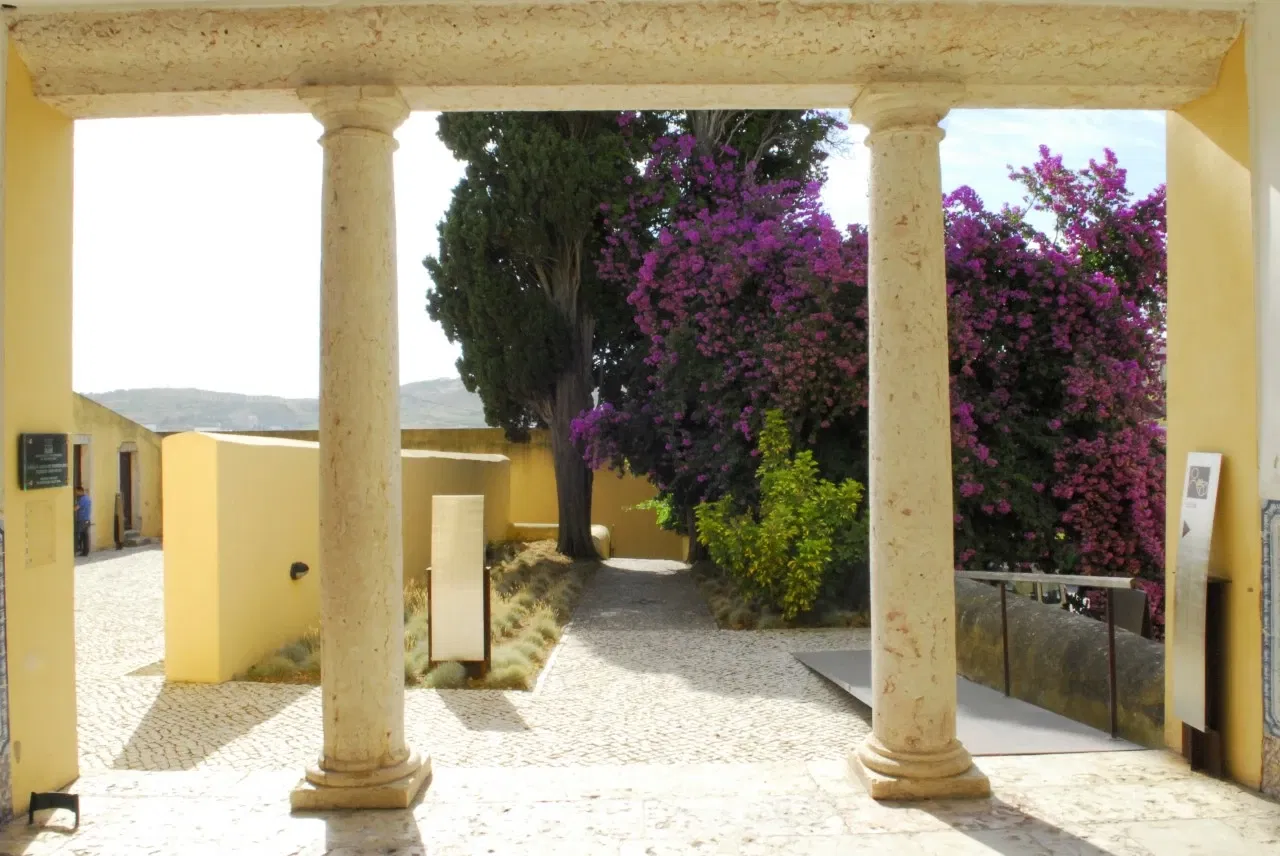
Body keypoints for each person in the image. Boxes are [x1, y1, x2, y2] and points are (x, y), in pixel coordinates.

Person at [74, 487, 91, 558]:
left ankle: (75, 550)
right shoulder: (87, 498)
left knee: (77, 535)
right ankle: (85, 552)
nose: (75, 493)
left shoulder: (82, 499)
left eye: (76, 492)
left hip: (82, 520)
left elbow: (76, 508)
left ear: (80, 491)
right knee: (85, 536)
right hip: (87, 519)